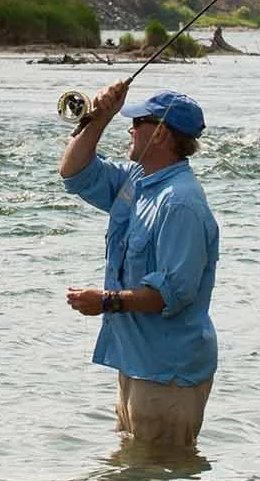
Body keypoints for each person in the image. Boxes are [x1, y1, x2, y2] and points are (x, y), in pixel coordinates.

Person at [59, 79, 220, 450]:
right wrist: (97, 120)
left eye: (137, 122)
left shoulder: (180, 203)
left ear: (161, 134)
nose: (129, 128)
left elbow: (172, 294)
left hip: (169, 373)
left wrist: (105, 301)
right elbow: (74, 173)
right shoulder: (138, 180)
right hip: (137, 363)